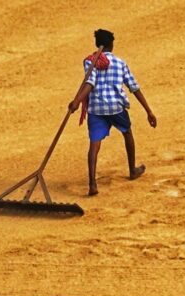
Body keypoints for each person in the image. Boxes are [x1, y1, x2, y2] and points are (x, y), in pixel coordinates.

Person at [67, 29, 156, 197]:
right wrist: (148, 111)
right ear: (111, 45)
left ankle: (92, 184)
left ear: (97, 44)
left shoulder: (91, 61)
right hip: (116, 107)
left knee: (94, 143)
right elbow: (134, 88)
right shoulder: (120, 63)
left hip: (96, 109)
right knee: (127, 133)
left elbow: (89, 83)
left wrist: (77, 101)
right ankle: (132, 170)